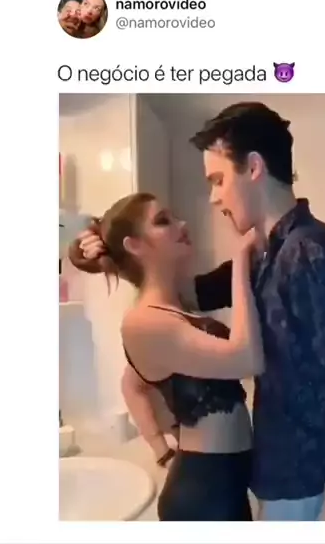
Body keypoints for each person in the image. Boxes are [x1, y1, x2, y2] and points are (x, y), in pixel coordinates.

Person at [70, 101, 325, 521]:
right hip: (272, 473)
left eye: (218, 180)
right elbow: (181, 296)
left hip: (306, 479)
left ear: (253, 167)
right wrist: (102, 251)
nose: (213, 197)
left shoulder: (308, 251)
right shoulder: (264, 254)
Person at [69, 192, 263, 521]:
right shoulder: (144, 322)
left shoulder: (174, 309)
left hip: (224, 482)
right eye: (163, 221)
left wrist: (160, 447)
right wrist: (241, 260)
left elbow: (131, 382)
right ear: (134, 245)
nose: (182, 224)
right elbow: (248, 360)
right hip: (204, 492)